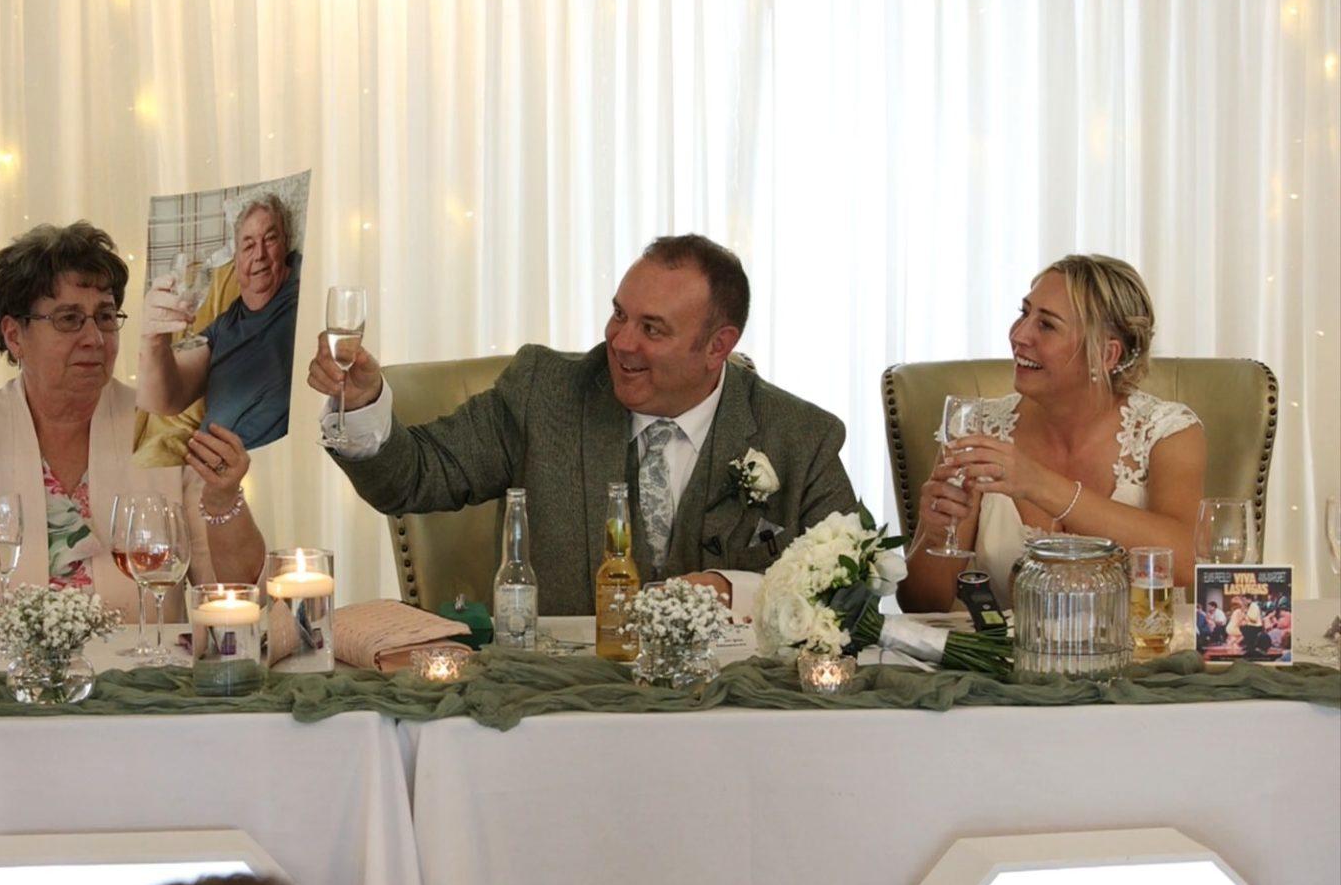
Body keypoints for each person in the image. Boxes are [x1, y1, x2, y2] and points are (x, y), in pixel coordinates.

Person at [306, 235, 858, 615]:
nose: (620, 341)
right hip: (562, 708)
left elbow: (854, 590)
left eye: (652, 329)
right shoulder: (544, 393)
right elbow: (413, 477)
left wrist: (736, 591)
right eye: (619, 313)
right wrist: (362, 404)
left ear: (719, 346)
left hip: (739, 723)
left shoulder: (800, 438)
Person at [0, 222, 266, 625]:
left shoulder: (165, 425)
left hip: (140, 679)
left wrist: (224, 501)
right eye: (68, 319)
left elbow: (235, 594)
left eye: (104, 316)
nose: (94, 339)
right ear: (14, 336)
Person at [900, 254, 1206, 611]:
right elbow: (921, 607)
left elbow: (1186, 562)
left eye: (1046, 325)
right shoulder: (978, 429)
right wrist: (935, 535)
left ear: (1106, 355)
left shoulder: (1168, 433)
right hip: (1002, 664)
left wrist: (1038, 484)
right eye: (1023, 313)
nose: (1019, 335)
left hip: (1139, 659)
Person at [137, 192, 301, 450]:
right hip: (212, 469)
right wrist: (153, 341)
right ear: (235, 263)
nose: (259, 254)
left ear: (286, 244)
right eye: (248, 245)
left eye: (270, 239)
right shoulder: (223, 326)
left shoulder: (303, 290)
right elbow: (163, 400)